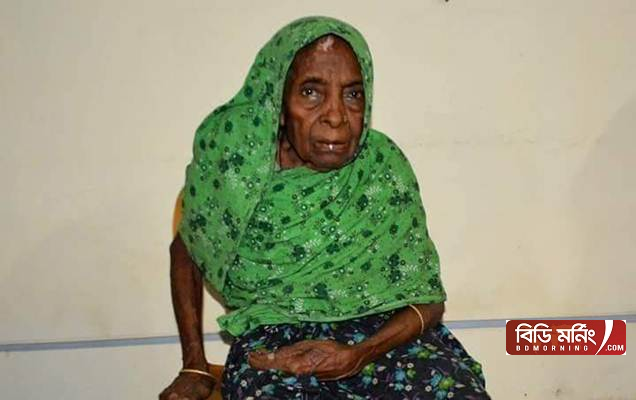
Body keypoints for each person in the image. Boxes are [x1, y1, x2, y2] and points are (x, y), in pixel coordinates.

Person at [160, 16, 490, 400]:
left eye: (352, 95)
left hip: (386, 339)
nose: (335, 116)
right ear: (278, 102)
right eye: (311, 93)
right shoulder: (238, 169)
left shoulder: (380, 166)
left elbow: (428, 300)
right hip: (276, 343)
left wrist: (360, 353)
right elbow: (188, 249)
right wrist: (195, 365)